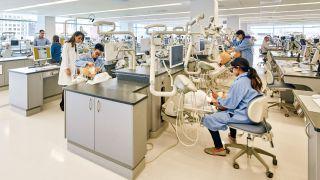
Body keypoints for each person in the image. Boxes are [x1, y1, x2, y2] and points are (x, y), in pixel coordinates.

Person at [203, 57, 263, 156]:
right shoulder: (249, 78)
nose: (232, 71)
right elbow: (236, 101)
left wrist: (217, 98)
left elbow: (230, 104)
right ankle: (232, 136)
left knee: (209, 118)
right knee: (225, 110)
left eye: (232, 69)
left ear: (238, 68)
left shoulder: (240, 82)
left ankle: (219, 148)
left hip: (244, 116)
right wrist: (222, 102)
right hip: (252, 113)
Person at [58, 31, 85, 111]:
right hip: (67, 69)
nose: (80, 40)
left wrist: (78, 68)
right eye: (79, 38)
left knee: (71, 86)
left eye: (81, 39)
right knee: (66, 86)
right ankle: (62, 105)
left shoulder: (75, 46)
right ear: (74, 36)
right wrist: (66, 68)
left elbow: (77, 59)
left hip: (73, 69)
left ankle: (69, 103)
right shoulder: (67, 44)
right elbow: (65, 57)